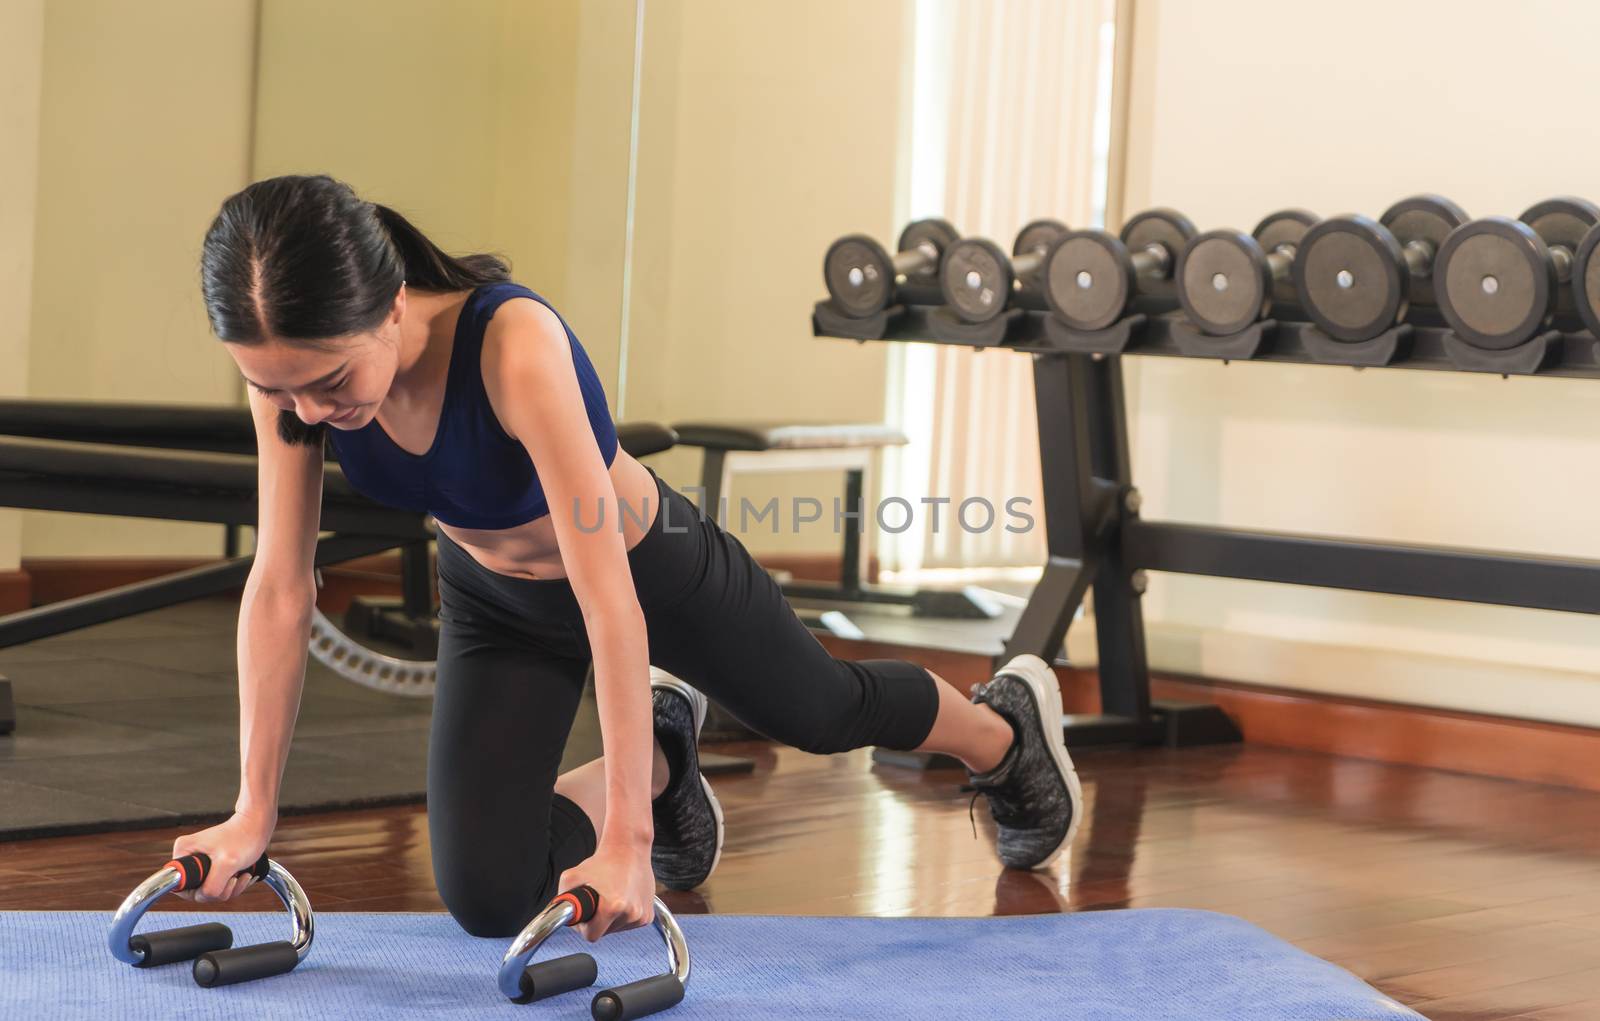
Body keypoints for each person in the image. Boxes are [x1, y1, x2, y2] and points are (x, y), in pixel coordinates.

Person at [169, 174, 1081, 943]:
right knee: (489, 897)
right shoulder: (291, 385)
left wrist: (628, 845)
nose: (308, 411)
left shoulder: (512, 347)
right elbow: (283, 586)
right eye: (274, 387)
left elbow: (610, 602)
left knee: (819, 709)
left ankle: (1003, 731)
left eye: (331, 382)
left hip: (648, 565)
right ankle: (662, 758)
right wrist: (255, 808)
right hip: (495, 600)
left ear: (392, 302)